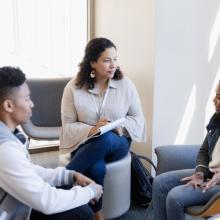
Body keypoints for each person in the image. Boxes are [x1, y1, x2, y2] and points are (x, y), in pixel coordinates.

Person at [0, 66, 103, 220]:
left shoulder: (9, 136)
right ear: (9, 105)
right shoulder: (6, 149)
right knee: (82, 212)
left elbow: (27, 171)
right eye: (27, 99)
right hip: (12, 214)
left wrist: (70, 175)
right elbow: (46, 202)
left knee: (78, 206)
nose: (32, 104)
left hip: (17, 205)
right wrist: (90, 192)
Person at [60, 37, 146, 220]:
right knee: (96, 168)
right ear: (92, 62)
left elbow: (138, 119)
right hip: (85, 143)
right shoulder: (73, 88)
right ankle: (97, 214)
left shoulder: (126, 84)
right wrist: (92, 130)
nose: (113, 65)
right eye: (107, 60)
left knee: (105, 138)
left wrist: (117, 126)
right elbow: (67, 127)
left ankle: (61, 184)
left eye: (115, 59)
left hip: (117, 142)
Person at [144, 81, 220, 220]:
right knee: (160, 183)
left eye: (219, 97)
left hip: (217, 184)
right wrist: (199, 173)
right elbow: (204, 150)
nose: (213, 100)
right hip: (208, 174)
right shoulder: (217, 120)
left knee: (175, 197)